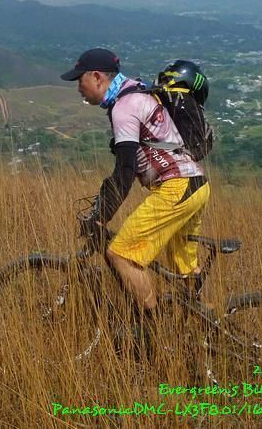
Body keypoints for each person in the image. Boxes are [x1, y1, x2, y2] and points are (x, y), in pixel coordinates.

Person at [60, 48, 211, 350]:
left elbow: (124, 172)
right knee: (184, 273)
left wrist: (100, 217)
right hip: (195, 185)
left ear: (97, 77)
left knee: (121, 255)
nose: (78, 87)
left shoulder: (124, 107)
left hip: (176, 188)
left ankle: (156, 338)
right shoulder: (138, 91)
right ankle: (201, 335)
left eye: (80, 80)